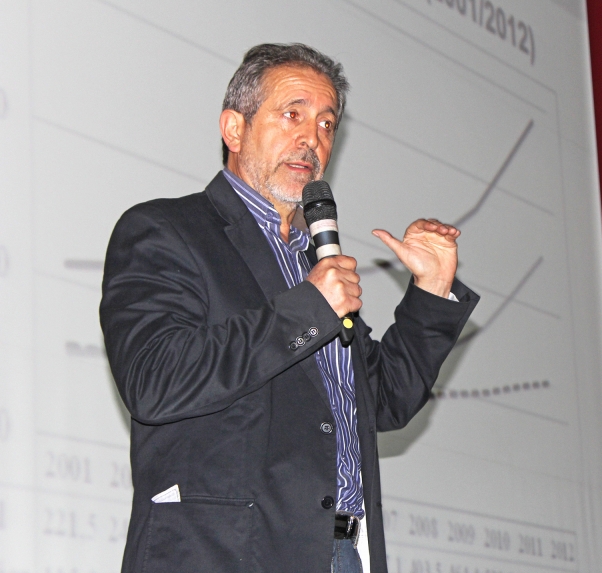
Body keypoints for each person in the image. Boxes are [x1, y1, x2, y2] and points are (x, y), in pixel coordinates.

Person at [100, 43, 478, 573]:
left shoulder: (312, 263)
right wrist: (310, 308)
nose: (312, 139)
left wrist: (432, 288)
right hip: (226, 555)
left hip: (343, 553)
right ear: (234, 129)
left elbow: (384, 400)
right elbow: (155, 379)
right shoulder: (167, 231)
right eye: (292, 114)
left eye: (326, 124)